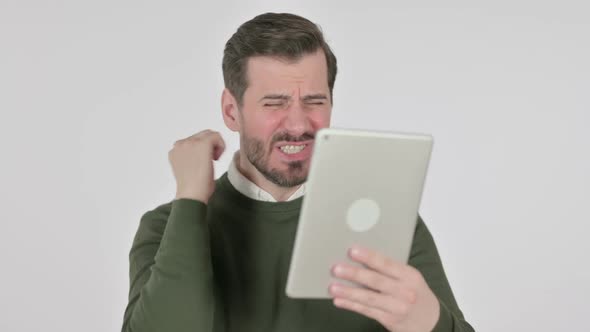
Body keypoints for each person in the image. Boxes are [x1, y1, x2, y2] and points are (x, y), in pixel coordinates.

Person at [121, 12, 475, 332]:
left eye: (314, 102)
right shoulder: (167, 226)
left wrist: (432, 322)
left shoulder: (389, 224)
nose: (297, 124)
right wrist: (190, 201)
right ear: (231, 111)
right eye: (274, 103)